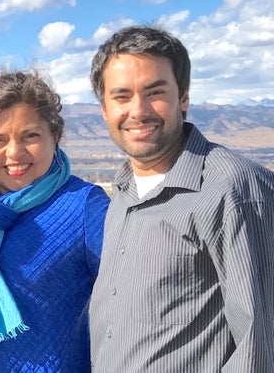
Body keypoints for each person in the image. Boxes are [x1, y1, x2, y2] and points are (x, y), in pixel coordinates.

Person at [88, 25, 274, 371]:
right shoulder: (124, 189)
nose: (138, 110)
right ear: (104, 108)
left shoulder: (232, 189)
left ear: (183, 97)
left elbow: (259, 345)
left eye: (155, 91)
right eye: (122, 96)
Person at [0, 69, 110, 372]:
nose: (14, 153)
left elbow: (137, 294)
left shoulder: (85, 207)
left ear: (54, 136)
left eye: (30, 136)